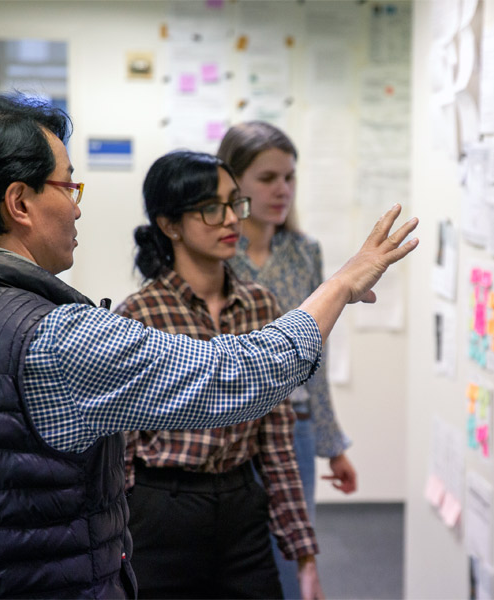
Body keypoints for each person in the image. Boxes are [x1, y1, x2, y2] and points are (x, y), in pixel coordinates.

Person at [0, 93, 419, 600]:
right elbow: (236, 377)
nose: (76, 206)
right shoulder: (54, 336)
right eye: (66, 185)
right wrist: (341, 285)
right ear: (19, 202)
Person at [115, 150, 322, 599]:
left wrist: (305, 557)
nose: (231, 219)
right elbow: (120, 449)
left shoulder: (261, 305)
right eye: (212, 208)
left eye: (235, 203)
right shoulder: (140, 313)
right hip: (161, 509)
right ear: (170, 225)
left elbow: (276, 438)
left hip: (241, 506)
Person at [218, 121, 357, 598]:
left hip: (293, 424)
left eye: (289, 177)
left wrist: (331, 443)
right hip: (226, 427)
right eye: (268, 178)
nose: (283, 190)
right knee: (231, 557)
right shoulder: (215, 253)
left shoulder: (304, 252)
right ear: (233, 183)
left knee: (293, 557)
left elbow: (315, 354)